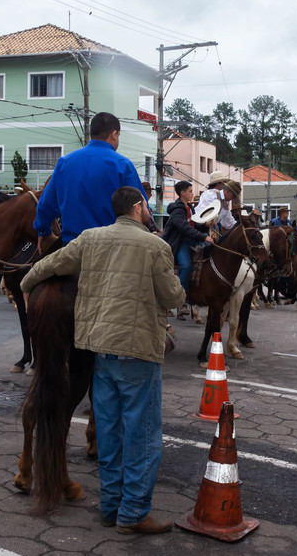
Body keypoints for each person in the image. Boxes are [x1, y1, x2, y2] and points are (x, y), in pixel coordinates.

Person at [20, 186, 185, 534]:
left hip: (100, 352)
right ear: (137, 207)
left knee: (108, 434)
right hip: (138, 352)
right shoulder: (156, 246)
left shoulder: (89, 238)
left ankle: (110, 507)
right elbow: (173, 297)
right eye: (146, 207)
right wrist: (178, 283)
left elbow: (48, 264)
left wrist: (26, 285)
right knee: (141, 436)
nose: (149, 211)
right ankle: (134, 513)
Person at [33, 112, 154, 246]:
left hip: (73, 248)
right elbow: (141, 209)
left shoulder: (65, 163)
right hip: (112, 249)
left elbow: (46, 205)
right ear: (114, 134)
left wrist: (43, 231)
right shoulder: (123, 166)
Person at [162, 180, 212, 317]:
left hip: (190, 240)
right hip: (180, 242)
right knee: (186, 266)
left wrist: (205, 225)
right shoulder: (178, 210)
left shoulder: (189, 207)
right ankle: (181, 301)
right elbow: (185, 228)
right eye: (190, 191)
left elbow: (194, 225)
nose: (192, 193)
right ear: (182, 193)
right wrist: (204, 237)